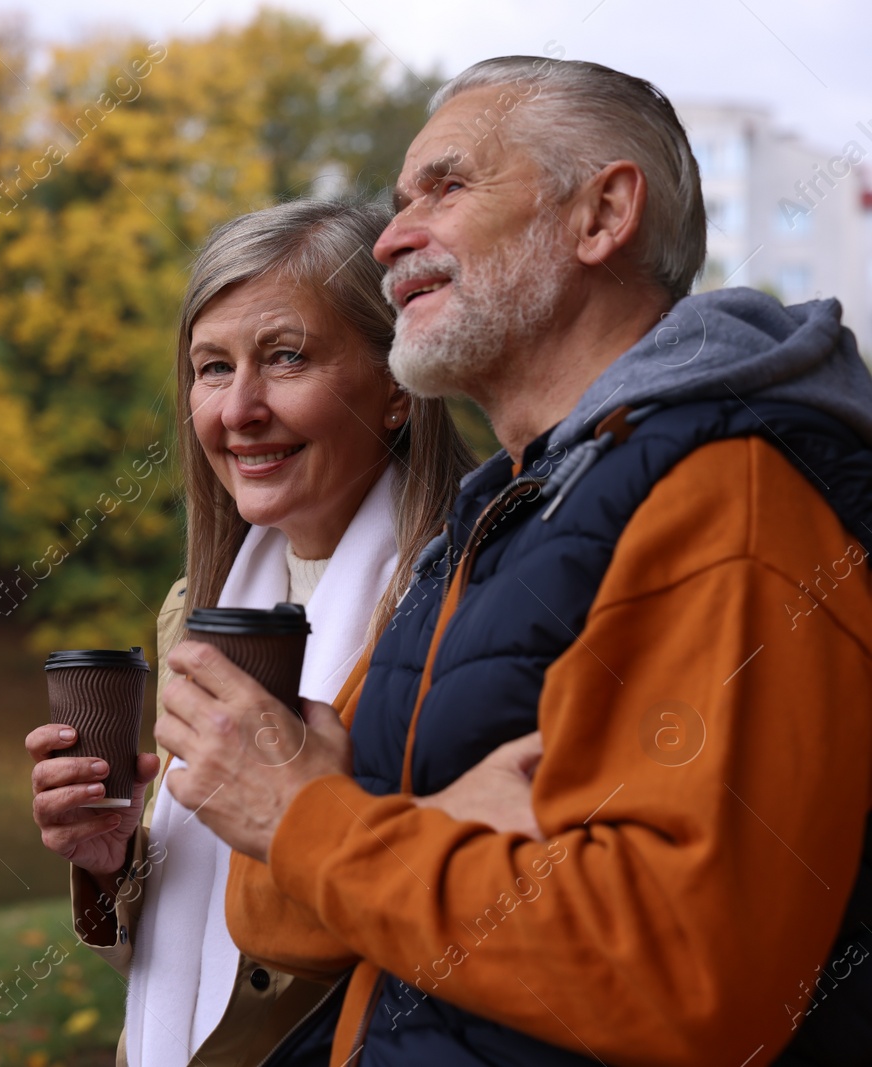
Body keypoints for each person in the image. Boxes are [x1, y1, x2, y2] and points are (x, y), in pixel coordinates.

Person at [154, 56, 872, 1064]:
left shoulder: (730, 493)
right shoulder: (487, 522)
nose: (393, 235)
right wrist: (415, 821)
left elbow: (686, 977)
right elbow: (277, 911)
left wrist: (318, 818)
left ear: (602, 214)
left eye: (446, 187)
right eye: (399, 200)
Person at [26, 196, 491, 1067]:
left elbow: (478, 926)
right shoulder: (195, 609)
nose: (238, 409)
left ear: (398, 385)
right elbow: (187, 950)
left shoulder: (469, 597)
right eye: (211, 368)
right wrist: (111, 856)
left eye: (285, 358)